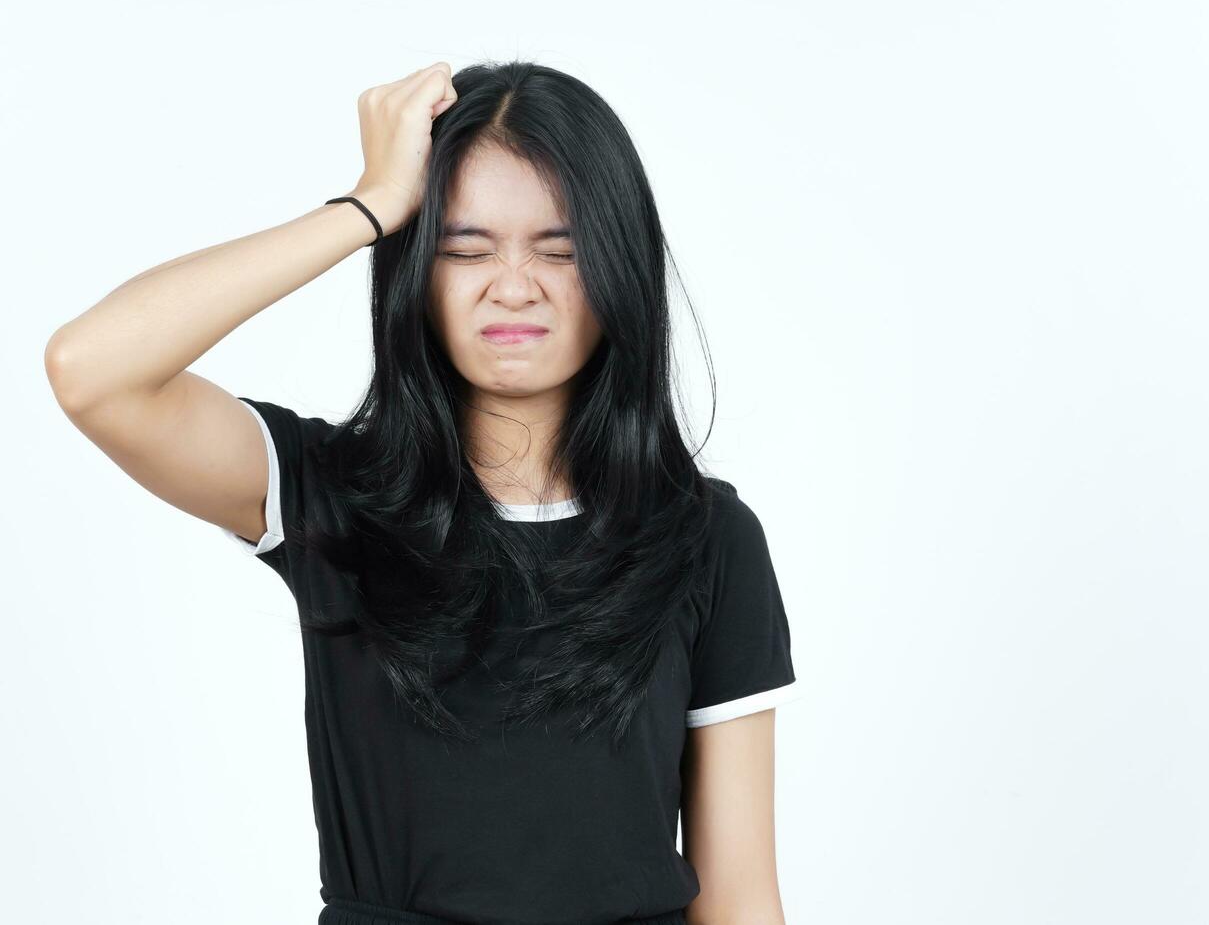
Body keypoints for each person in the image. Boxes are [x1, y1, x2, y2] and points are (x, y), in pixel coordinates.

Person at [43, 60, 801, 925]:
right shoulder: (331, 495)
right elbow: (93, 371)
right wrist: (368, 205)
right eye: (464, 248)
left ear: (618, 271)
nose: (513, 286)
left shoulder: (705, 536)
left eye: (560, 249)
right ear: (414, 269)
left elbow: (739, 894)